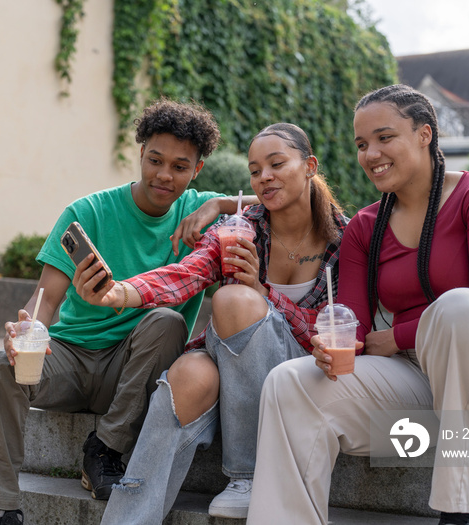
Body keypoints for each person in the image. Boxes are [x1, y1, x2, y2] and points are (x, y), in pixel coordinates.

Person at [247, 85, 469, 525]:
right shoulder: (364, 228)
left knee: (462, 308)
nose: (371, 153)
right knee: (288, 383)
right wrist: (334, 346)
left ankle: (466, 511)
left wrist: (396, 337)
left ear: (424, 134)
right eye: (361, 144)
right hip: (421, 393)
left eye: (384, 137)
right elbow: (352, 325)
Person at [0, 98, 255, 525]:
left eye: (180, 167)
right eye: (155, 160)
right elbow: (46, 298)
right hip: (67, 357)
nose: (164, 175)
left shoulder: (202, 212)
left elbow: (288, 200)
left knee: (167, 321)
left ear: (197, 170)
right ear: (140, 153)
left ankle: (104, 449)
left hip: (133, 370)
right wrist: (28, 331)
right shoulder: (89, 211)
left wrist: (219, 206)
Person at [71, 122, 349, 523]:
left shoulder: (344, 237)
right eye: (255, 171)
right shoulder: (243, 227)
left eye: (276, 164)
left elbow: (335, 328)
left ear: (309, 166)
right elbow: (184, 274)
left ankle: (248, 475)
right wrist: (117, 293)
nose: (264, 177)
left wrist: (262, 292)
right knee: (188, 373)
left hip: (304, 372)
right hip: (235, 370)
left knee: (235, 297)